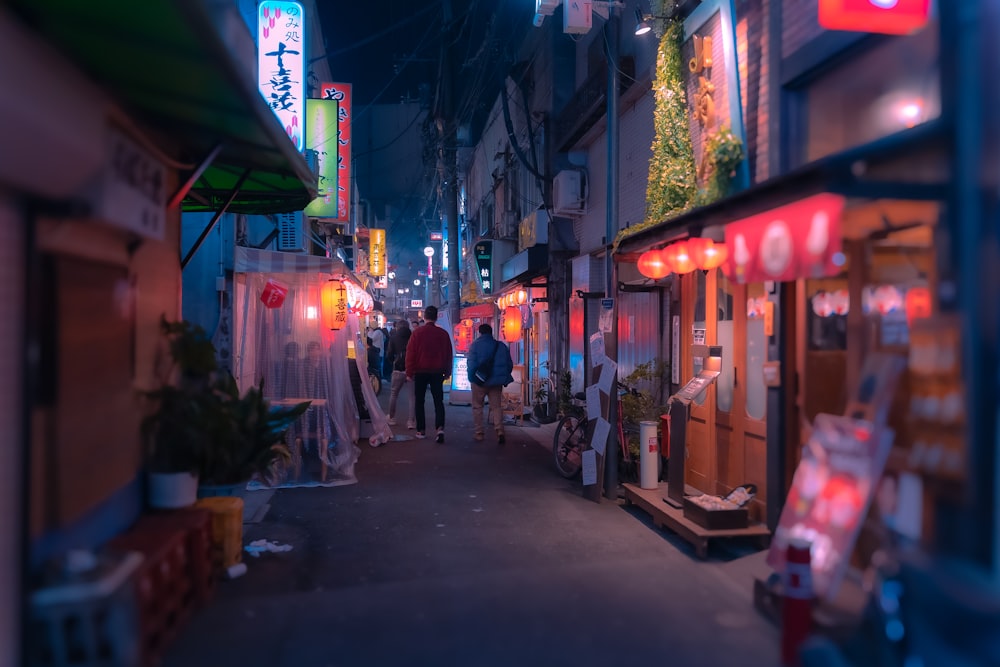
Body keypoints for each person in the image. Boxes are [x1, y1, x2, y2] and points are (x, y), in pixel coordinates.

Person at [405, 305, 453, 442]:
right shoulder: (443, 334)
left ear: (424, 317)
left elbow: (410, 354)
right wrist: (448, 372)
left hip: (420, 372)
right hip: (437, 372)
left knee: (419, 401)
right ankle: (440, 429)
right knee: (438, 401)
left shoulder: (417, 333)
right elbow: (448, 355)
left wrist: (409, 372)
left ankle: (421, 430)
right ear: (436, 317)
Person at [466, 323, 514, 445]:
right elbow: (509, 364)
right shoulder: (501, 346)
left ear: (480, 333)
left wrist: (473, 377)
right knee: (496, 406)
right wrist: (502, 377)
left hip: (479, 382)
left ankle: (479, 433)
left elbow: (471, 364)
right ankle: (499, 431)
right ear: (491, 332)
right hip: (496, 383)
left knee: (477, 406)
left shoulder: (475, 345)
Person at [385, 320, 416, 429]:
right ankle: (411, 421)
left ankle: (392, 418)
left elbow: (389, 354)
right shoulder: (413, 337)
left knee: (394, 394)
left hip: (398, 369)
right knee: (412, 397)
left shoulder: (393, 338)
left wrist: (393, 362)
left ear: (397, 327)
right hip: (411, 370)